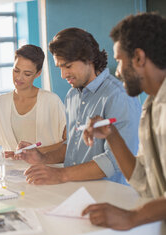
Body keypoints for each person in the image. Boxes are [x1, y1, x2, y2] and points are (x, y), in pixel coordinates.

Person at [16, 28, 141, 185]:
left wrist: (61, 174)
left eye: (67, 66)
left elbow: (114, 161)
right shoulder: (72, 95)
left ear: (88, 58)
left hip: (110, 198)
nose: (63, 74)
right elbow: (72, 146)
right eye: (59, 67)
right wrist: (42, 158)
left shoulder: (119, 96)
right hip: (76, 191)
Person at [82, 12, 166, 230]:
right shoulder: (151, 106)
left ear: (138, 58)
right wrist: (111, 134)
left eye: (119, 60)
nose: (117, 72)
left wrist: (133, 217)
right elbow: (143, 182)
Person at [0, 44, 66, 160]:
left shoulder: (51, 101)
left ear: (38, 73)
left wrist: (38, 152)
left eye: (27, 74)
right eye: (16, 70)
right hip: (12, 172)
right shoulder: (0, 103)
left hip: (46, 170)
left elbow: (68, 143)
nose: (19, 78)